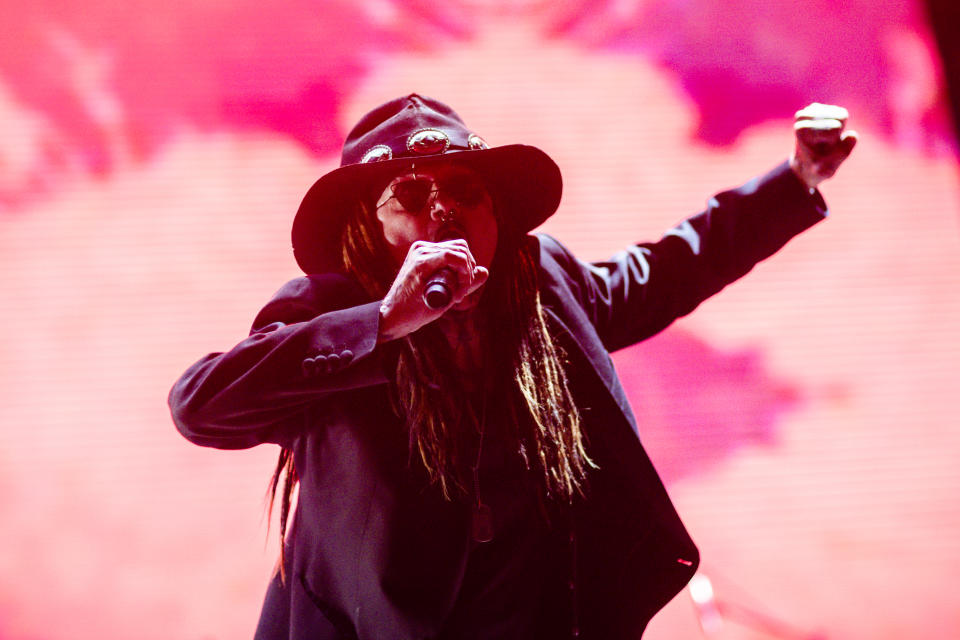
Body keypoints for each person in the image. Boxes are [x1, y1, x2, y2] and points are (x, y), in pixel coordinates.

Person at [169, 94, 856, 639]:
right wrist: (383, 325)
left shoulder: (543, 284)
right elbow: (199, 406)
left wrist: (798, 180)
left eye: (465, 190)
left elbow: (672, 268)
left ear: (496, 212)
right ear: (367, 231)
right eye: (408, 198)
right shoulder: (331, 312)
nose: (443, 211)